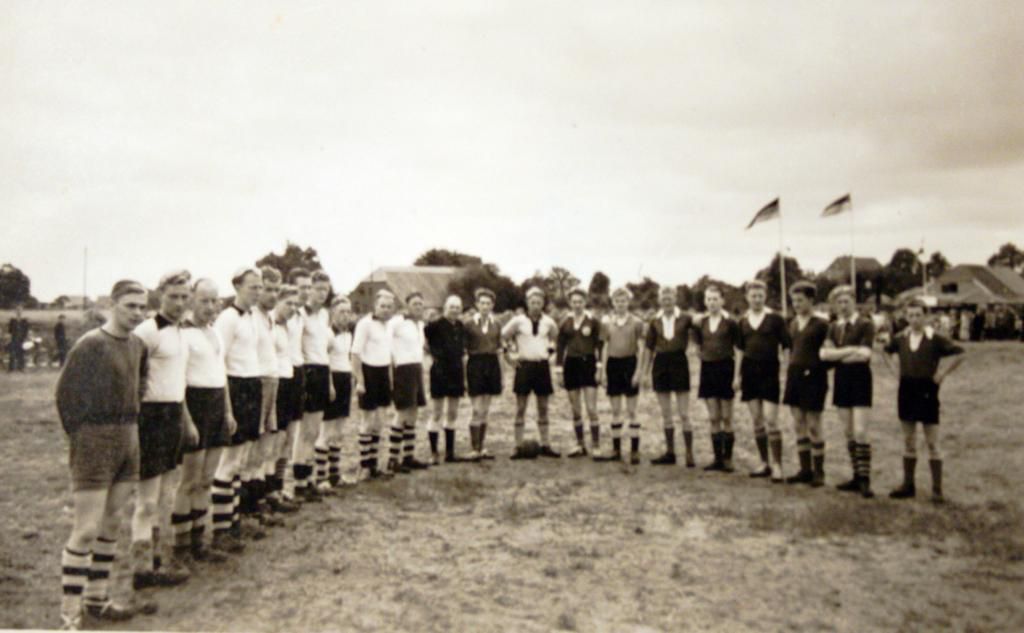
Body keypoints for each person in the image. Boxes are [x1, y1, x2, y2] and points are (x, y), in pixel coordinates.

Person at [55, 280, 153, 629]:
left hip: (129, 437)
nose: (138, 313)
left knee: (113, 523)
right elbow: (66, 397)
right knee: (86, 529)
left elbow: (141, 385)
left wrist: (129, 425)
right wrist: (85, 438)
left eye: (143, 307)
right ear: (113, 304)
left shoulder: (139, 344)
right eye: (130, 306)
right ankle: (70, 614)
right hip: (95, 440)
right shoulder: (91, 344)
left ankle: (97, 600)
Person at [130, 270, 197, 590]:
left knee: (166, 494)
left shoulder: (181, 331)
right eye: (174, 296)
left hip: (173, 415)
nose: (180, 303)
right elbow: (131, 379)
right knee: (147, 499)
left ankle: (158, 560)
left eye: (185, 297)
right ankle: (141, 569)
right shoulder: (146, 331)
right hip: (150, 418)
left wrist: (186, 421)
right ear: (159, 295)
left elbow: (177, 382)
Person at [173, 278, 233, 566]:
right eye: (204, 301)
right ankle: (181, 546)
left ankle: (200, 541)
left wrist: (229, 412)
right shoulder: (182, 334)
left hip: (217, 406)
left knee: (207, 479)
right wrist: (187, 422)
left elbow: (222, 376)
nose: (210, 307)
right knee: (189, 481)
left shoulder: (215, 332)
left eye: (214, 300)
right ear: (191, 300)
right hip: (193, 407)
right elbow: (178, 382)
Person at [882, 299, 966, 503]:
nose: (914, 319)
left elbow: (960, 353)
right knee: (909, 440)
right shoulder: (901, 338)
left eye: (918, 315)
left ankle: (937, 490)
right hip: (907, 390)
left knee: (932, 442)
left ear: (926, 316)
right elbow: (885, 351)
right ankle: (908, 485)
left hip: (927, 391)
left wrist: (943, 373)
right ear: (905, 317)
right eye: (910, 315)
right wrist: (895, 371)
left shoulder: (935, 338)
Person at [211, 267, 263, 550]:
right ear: (237, 287)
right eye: (252, 287)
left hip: (252, 385)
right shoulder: (227, 319)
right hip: (235, 387)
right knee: (228, 462)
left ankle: (234, 521)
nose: (256, 292)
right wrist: (228, 406)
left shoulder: (254, 317)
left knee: (241, 460)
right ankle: (220, 530)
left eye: (259, 287)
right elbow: (219, 361)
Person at [821, 285, 877, 498]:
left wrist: (838, 355)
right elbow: (824, 355)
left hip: (861, 379)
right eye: (839, 302)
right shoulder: (833, 327)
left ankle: (865, 480)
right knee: (849, 431)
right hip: (842, 380)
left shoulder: (865, 324)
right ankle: (856, 475)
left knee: (861, 431)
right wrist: (849, 351)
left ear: (854, 301)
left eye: (846, 301)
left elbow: (864, 354)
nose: (843, 306)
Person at [737, 281, 791, 481]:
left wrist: (786, 368)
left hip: (769, 370)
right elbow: (740, 350)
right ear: (747, 297)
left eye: (760, 295)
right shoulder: (742, 321)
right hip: (749, 372)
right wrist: (737, 376)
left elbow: (786, 346)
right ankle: (764, 463)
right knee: (757, 420)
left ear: (765, 296)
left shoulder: (775, 319)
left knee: (771, 419)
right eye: (753, 296)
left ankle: (778, 465)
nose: (757, 299)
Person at [246, 266, 286, 522]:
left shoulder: (268, 318)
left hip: (273, 381)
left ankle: (260, 499)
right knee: (252, 449)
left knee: (266, 447)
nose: (271, 295)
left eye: (275, 290)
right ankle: (248, 506)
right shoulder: (250, 316)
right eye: (266, 289)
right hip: (256, 383)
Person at [501, 287, 560, 459]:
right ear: (527, 303)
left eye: (539, 302)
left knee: (543, 408)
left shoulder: (549, 322)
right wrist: (509, 356)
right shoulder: (518, 321)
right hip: (524, 366)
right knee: (521, 407)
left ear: (543, 304)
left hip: (541, 367)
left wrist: (550, 352)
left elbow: (556, 338)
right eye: (532, 302)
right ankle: (518, 446)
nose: (535, 305)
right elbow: (503, 336)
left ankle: (546, 445)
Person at [782, 281, 830, 487]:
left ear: (811, 300)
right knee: (798, 423)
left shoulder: (822, 325)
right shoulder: (792, 324)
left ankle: (819, 472)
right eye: (794, 300)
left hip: (814, 378)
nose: (796, 304)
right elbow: (790, 350)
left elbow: (829, 354)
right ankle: (805, 470)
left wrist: (816, 368)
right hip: (795, 376)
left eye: (801, 300)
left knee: (813, 424)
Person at [641, 286, 694, 467]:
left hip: (679, 362)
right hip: (661, 364)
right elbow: (648, 348)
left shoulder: (686, 318)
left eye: (670, 297)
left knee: (684, 413)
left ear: (675, 298)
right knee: (666, 414)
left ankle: (689, 453)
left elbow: (699, 334)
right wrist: (645, 373)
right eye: (663, 298)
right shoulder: (654, 321)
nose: (667, 301)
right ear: (659, 300)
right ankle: (670, 452)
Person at [693, 285, 742, 472]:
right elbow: (697, 345)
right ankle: (717, 459)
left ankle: (728, 459)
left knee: (727, 417)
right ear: (705, 301)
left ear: (722, 301)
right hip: (708, 370)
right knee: (714, 417)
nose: (712, 303)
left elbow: (738, 351)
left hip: (726, 369)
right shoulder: (700, 322)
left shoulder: (731, 322)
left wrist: (737, 376)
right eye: (709, 299)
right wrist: (704, 357)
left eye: (715, 299)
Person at [296, 270, 333, 499]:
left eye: (325, 290)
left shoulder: (325, 315)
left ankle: (307, 478)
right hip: (307, 371)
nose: (321, 294)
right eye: (317, 289)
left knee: (314, 430)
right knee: (305, 431)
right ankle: (299, 482)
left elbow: (324, 350)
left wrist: (328, 381)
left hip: (322, 371)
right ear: (309, 289)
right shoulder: (300, 314)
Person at [352, 290, 396, 479]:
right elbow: (355, 354)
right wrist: (360, 381)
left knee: (379, 420)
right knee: (367, 421)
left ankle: (374, 464)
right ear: (375, 306)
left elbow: (389, 354)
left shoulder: (389, 326)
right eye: (382, 306)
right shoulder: (364, 324)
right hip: (368, 373)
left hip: (383, 373)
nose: (386, 310)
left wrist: (391, 378)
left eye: (389, 306)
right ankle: (364, 466)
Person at [599, 287, 645, 463]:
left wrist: (638, 371)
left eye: (624, 300)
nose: (620, 304)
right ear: (613, 302)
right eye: (617, 300)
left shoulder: (637, 322)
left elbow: (640, 349)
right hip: (613, 365)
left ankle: (634, 450)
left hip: (630, 364)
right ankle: (616, 449)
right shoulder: (607, 323)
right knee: (616, 410)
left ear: (628, 302)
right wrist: (603, 371)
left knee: (632, 410)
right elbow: (604, 347)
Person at [556, 288, 603, 458]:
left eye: (580, 301)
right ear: (570, 302)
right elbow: (560, 348)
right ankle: (580, 444)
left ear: (585, 302)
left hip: (588, 363)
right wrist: (559, 371)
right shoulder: (565, 322)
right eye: (574, 301)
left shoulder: (593, 321)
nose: (577, 305)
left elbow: (599, 345)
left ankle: (596, 446)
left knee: (591, 408)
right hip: (571, 365)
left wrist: (599, 368)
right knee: (576, 409)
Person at [268, 285, 303, 509]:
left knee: (287, 440)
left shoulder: (288, 326)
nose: (292, 308)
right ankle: (268, 491)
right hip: (275, 384)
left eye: (295, 304)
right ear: (277, 301)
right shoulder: (269, 324)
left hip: (290, 381)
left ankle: (278, 488)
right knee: (274, 440)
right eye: (288, 303)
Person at [389, 292, 430, 472]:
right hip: (402, 370)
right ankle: (392, 459)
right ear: (407, 306)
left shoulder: (420, 325)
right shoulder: (397, 322)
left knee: (413, 414)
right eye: (414, 304)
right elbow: (387, 342)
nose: (418, 307)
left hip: (416, 369)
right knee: (402, 414)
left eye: (421, 304)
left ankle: (408, 456)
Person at [425, 295, 468, 463]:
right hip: (440, 372)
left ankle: (450, 453)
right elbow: (425, 342)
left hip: (456, 372)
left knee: (452, 412)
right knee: (436, 412)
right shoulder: (434, 326)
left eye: (458, 307)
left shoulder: (460, 326)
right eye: (452, 307)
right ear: (445, 308)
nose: (455, 310)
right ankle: (434, 453)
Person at [280, 268, 311, 501]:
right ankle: (276, 489)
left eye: (308, 288)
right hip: (281, 375)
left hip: (298, 372)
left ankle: (286, 486)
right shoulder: (280, 315)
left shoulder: (302, 315)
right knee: (278, 437)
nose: (305, 292)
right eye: (301, 287)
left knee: (293, 434)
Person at [463, 288, 502, 460]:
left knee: (485, 409)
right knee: (477, 409)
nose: (485, 306)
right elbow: (464, 353)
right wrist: (464, 376)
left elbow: (499, 349)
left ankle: (482, 447)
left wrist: (502, 376)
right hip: (475, 365)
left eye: (488, 303)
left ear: (492, 305)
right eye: (482, 303)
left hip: (492, 365)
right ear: (477, 305)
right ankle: (474, 448)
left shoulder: (497, 324)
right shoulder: (469, 324)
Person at [321, 295, 355, 488]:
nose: (345, 316)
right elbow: (324, 361)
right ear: (332, 312)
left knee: (339, 431)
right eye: (341, 311)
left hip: (345, 380)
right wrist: (329, 385)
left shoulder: (348, 334)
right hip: (332, 380)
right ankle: (321, 477)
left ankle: (335, 474)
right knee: (326, 431)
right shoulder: (327, 334)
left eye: (348, 312)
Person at [7, 305, 29, 371]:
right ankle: (11, 368)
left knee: (21, 353)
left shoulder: (24, 321)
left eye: (20, 310)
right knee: (12, 353)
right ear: (15, 311)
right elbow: (9, 330)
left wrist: (25, 338)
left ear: (22, 311)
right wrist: (9, 337)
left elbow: (26, 330)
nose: (19, 311)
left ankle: (21, 368)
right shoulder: (12, 320)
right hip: (14, 339)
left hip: (21, 339)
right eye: (17, 310)